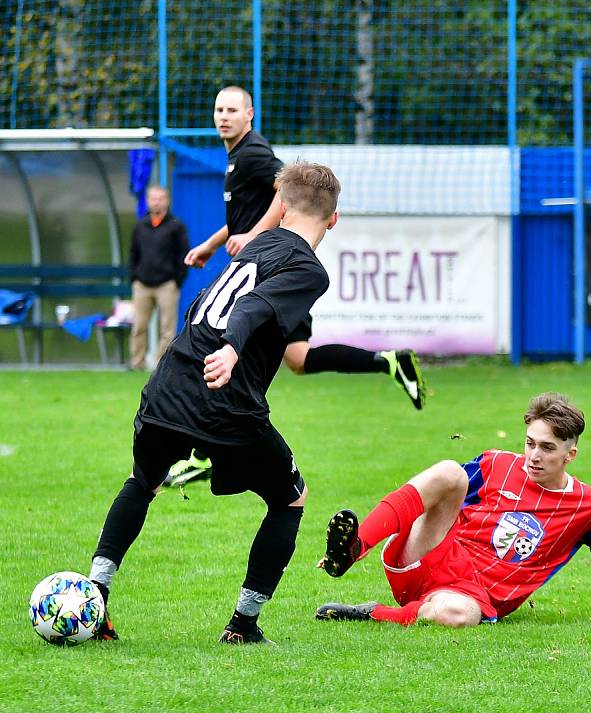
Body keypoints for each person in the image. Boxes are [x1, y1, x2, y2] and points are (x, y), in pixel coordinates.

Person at [87, 161, 341, 644]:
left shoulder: (255, 245)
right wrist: (231, 346)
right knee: (290, 499)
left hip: (167, 386)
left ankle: (95, 599)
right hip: (226, 400)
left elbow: (213, 301)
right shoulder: (309, 269)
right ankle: (243, 624)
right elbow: (254, 307)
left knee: (143, 481)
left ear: (282, 207)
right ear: (334, 219)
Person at [167, 85, 425, 488]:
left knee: (240, 343)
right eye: (218, 109)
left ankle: (204, 452)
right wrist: (211, 245)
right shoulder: (238, 157)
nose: (223, 116)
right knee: (298, 359)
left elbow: (287, 194)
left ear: (249, 114)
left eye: (232, 109)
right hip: (268, 263)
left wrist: (254, 234)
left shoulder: (253, 153)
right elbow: (246, 217)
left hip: (274, 270)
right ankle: (387, 361)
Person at [316, 392, 591, 627]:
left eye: (547, 448)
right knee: (450, 472)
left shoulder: (590, 505)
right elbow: (434, 494)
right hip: (432, 555)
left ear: (570, 454)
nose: (533, 455)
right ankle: (355, 548)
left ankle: (374, 613)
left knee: (457, 616)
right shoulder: (497, 464)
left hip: (472, 598)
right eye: (530, 443)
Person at [128, 185, 189, 370]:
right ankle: (136, 364)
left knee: (167, 329)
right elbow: (133, 254)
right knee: (139, 326)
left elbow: (183, 255)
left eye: (160, 198)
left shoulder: (176, 226)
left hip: (166, 285)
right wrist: (134, 278)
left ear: (167, 200)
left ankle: (160, 366)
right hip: (143, 285)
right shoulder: (140, 226)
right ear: (147, 201)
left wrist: (177, 280)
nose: (157, 202)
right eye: (153, 198)